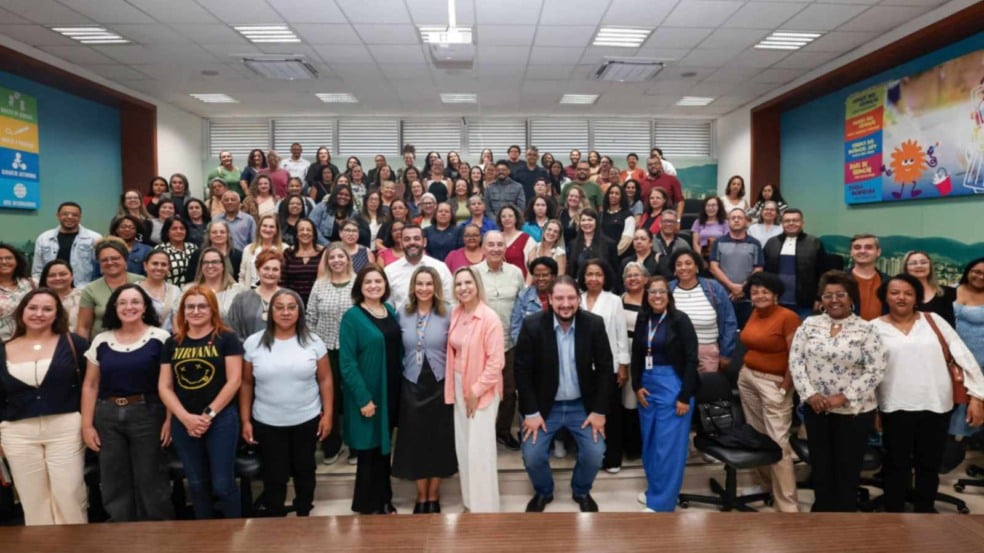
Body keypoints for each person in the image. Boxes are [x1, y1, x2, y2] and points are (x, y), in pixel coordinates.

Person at [871, 274, 984, 513]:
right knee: (895, 465)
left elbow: (964, 357)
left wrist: (977, 397)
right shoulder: (873, 328)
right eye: (894, 292)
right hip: (894, 405)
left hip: (936, 404)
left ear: (916, 298)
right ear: (885, 297)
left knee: (929, 465)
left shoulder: (933, 321)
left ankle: (925, 513)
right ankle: (894, 515)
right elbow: (867, 373)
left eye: (908, 293)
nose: (901, 297)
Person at [789, 270, 887, 512]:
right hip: (816, 409)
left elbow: (875, 370)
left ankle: (844, 519)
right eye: (828, 295)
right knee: (821, 466)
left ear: (851, 298)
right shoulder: (809, 324)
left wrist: (842, 397)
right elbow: (796, 361)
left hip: (854, 411)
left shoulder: (866, 329)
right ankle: (822, 513)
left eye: (840, 295)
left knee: (847, 469)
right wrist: (810, 394)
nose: (834, 300)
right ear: (821, 299)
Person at [516, 273, 613, 513]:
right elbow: (522, 372)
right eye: (559, 298)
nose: (566, 304)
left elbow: (605, 369)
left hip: (582, 405)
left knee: (595, 452)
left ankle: (581, 490)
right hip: (543, 407)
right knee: (533, 455)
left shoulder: (594, 324)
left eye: (571, 298)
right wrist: (531, 412)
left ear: (578, 299)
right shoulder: (532, 325)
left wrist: (599, 410)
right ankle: (543, 491)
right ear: (549, 298)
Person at [80, 284, 173, 522]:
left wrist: (170, 421)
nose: (128, 307)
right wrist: (87, 426)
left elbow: (171, 386)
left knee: (150, 478)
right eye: (122, 302)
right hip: (107, 416)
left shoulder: (161, 338)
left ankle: (158, 538)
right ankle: (122, 537)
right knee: (113, 480)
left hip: (148, 414)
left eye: (135, 302)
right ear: (114, 307)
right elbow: (90, 385)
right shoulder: (101, 340)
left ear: (144, 307)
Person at [240, 289, 332, 517]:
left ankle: (303, 511)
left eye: (291, 307)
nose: (285, 312)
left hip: (306, 418)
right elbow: (246, 383)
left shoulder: (313, 341)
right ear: (270, 312)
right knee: (275, 474)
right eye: (279, 307)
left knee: (305, 469)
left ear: (299, 312)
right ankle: (276, 516)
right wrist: (245, 420)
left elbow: (325, 379)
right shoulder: (254, 343)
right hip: (267, 421)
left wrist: (328, 414)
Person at [0, 289, 88, 525]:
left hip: (65, 428)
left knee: (69, 495)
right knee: (33, 500)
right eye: (33, 308)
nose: (39, 313)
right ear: (22, 312)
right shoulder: (3, 348)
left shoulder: (74, 344)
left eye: (47, 309)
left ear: (57, 314)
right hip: (17, 433)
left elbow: (90, 386)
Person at [160, 286, 244, 519]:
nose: (196, 311)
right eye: (191, 307)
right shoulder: (172, 343)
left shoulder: (226, 338)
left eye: (202, 306)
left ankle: (236, 538)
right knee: (196, 485)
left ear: (212, 309)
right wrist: (185, 418)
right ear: (183, 311)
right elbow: (164, 387)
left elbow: (235, 380)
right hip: (184, 421)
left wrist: (208, 415)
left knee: (223, 484)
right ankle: (205, 540)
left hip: (220, 420)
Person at [631, 275, 698, 512]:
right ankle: (654, 491)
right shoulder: (643, 319)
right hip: (647, 387)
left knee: (667, 447)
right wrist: (636, 385)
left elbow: (691, 359)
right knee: (650, 443)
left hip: (674, 386)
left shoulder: (680, 320)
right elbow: (637, 355)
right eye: (652, 292)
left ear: (668, 296)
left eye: (661, 292)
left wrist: (684, 396)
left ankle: (662, 503)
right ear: (646, 296)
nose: (657, 296)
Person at [736, 272, 802, 512]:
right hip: (748, 378)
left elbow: (796, 358)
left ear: (776, 294)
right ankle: (766, 488)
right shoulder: (754, 312)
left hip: (774, 383)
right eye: (755, 292)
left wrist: (785, 388)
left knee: (778, 443)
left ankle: (787, 506)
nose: (760, 295)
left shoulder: (788, 317)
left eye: (765, 291)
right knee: (758, 437)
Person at [392, 267, 456, 513]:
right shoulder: (402, 313)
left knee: (439, 439)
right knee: (415, 441)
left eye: (429, 284)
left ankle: (434, 494)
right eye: (419, 283)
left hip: (440, 384)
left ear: (436, 287)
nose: (424, 288)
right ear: (413, 286)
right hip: (412, 383)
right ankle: (421, 496)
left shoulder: (448, 313)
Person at [339, 266, 402, 514]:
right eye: (368, 282)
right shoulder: (352, 317)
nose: (374, 285)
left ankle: (384, 498)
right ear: (360, 287)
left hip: (390, 391)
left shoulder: (390, 311)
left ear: (385, 285)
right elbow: (347, 362)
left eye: (378, 281)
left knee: (384, 448)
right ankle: (367, 504)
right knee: (368, 450)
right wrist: (363, 398)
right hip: (366, 394)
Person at [445, 267, 504, 512]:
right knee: (464, 446)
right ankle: (470, 502)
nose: (463, 288)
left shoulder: (489, 317)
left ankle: (486, 507)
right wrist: (461, 390)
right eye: (458, 284)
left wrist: (475, 391)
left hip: (482, 389)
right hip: (459, 383)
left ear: (477, 284)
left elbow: (496, 362)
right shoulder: (456, 313)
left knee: (480, 449)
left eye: (468, 282)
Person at [472, 232, 526, 452]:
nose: (495, 248)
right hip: (480, 344)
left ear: (506, 248)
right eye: (491, 244)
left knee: (509, 390)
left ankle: (502, 431)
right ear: (483, 247)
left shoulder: (516, 273)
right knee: (481, 389)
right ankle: (480, 432)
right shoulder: (473, 273)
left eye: (500, 245)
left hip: (509, 342)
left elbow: (522, 305)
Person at [578, 259, 630, 474]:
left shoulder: (614, 300)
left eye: (598, 274)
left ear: (605, 277)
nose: (593, 278)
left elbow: (620, 333)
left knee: (612, 414)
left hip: (608, 366)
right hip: (580, 366)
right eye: (589, 274)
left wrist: (623, 365)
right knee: (584, 413)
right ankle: (590, 456)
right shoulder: (575, 298)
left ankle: (612, 458)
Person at [306, 244, 355, 465]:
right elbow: (309, 318)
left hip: (353, 350)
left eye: (340, 256)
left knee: (354, 398)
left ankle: (356, 446)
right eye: (332, 257)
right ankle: (331, 445)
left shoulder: (358, 284)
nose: (336, 260)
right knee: (329, 398)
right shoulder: (319, 285)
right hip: (325, 350)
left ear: (348, 259)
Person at [669, 250, 736, 373]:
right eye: (679, 264)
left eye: (688, 263)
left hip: (708, 354)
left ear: (697, 267)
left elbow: (729, 321)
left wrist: (726, 353)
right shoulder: (668, 289)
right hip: (676, 354)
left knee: (706, 390)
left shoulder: (714, 288)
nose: (683, 267)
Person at [763, 208, 826, 319]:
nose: (791, 223)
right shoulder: (771, 243)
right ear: (782, 223)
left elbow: (823, 274)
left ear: (802, 223)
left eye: (795, 220)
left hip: (805, 303)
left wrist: (819, 298)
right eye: (787, 221)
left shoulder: (814, 243)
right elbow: (764, 273)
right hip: (776, 302)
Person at [76, 239, 143, 341]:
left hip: (139, 341)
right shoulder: (90, 289)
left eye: (115, 258)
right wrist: (83, 352)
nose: (110, 262)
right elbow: (83, 326)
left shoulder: (142, 283)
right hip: (102, 346)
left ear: (125, 259)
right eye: (104, 260)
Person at [709, 208, 764, 329]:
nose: (736, 220)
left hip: (748, 296)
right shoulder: (719, 242)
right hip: (723, 294)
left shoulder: (755, 243)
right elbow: (713, 268)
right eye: (733, 218)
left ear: (746, 222)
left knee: (746, 330)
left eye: (740, 218)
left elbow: (758, 269)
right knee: (724, 329)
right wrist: (732, 286)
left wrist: (743, 288)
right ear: (728, 222)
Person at [383, 225, 452, 310]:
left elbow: (450, 301)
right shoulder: (389, 271)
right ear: (401, 244)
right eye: (407, 239)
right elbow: (387, 306)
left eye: (416, 238)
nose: (412, 242)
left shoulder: (440, 268)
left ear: (424, 242)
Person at [31, 202, 101, 287]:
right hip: (51, 289)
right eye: (65, 214)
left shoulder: (94, 238)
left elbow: (100, 269)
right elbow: (37, 271)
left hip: (83, 290)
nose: (70, 217)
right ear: (58, 215)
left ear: (80, 217)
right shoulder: (44, 238)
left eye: (74, 215)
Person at [953, 258, 984, 444]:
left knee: (978, 398)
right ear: (968, 271)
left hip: (981, 357)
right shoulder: (950, 290)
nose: (980, 276)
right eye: (976, 271)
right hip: (955, 358)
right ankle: (955, 444)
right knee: (957, 402)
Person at [619, 261, 648, 461]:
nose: (633, 279)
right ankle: (632, 446)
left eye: (637, 275)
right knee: (629, 399)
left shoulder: (654, 298)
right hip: (626, 351)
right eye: (628, 276)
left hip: (651, 353)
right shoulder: (618, 300)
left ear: (646, 278)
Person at [227, 250, 285, 341]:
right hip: (248, 353)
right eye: (266, 268)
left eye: (275, 269)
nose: (270, 273)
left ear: (281, 272)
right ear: (258, 270)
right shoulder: (241, 299)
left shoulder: (291, 298)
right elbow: (232, 330)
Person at [184, 247, 247, 319]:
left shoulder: (238, 291)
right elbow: (178, 317)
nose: (210, 266)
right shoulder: (188, 289)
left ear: (223, 265)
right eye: (206, 262)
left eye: (214, 262)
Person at [510, 257, 559, 343]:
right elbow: (516, 328)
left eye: (545, 275)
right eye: (536, 275)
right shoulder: (524, 296)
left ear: (553, 276)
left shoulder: (562, 296)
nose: (540, 278)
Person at [902, 250, 956, 327]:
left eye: (923, 262)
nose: (919, 266)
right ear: (906, 268)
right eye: (913, 263)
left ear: (930, 266)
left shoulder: (949, 293)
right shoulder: (899, 296)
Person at [185, 220, 244, 284]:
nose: (218, 235)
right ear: (209, 235)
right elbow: (190, 279)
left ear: (228, 234)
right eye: (214, 232)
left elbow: (241, 279)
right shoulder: (198, 254)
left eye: (222, 232)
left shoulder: (237, 255)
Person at [281, 219, 324, 305]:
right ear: (296, 234)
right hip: (291, 302)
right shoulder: (288, 253)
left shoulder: (323, 253)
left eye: (309, 230)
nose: (305, 232)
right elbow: (282, 280)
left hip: (318, 301)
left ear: (314, 234)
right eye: (301, 230)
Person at [567, 209, 617, 281]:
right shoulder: (572, 244)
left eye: (590, 220)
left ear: (596, 222)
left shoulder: (609, 244)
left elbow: (614, 271)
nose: (586, 223)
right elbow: (571, 271)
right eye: (583, 220)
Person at [0, 244, 36, 342]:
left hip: (31, 338)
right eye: (0, 259)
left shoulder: (31, 284)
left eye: (8, 258)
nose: (4, 262)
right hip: (3, 342)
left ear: (17, 261)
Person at [139, 250, 181, 332]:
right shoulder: (134, 290)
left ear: (169, 267)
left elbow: (177, 321)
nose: (159, 268)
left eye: (164, 264)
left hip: (168, 340)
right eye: (155, 263)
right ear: (145, 266)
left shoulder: (176, 290)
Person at [848, 234, 888, 320]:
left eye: (868, 247)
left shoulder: (889, 283)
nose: (862, 251)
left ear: (878, 252)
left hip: (881, 332)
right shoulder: (838, 281)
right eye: (857, 247)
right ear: (851, 252)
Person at [240, 214, 286, 288]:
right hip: (251, 291)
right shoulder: (248, 249)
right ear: (259, 228)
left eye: (271, 227)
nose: (267, 229)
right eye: (264, 226)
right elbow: (242, 276)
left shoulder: (285, 249)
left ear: (276, 230)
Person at [39, 260, 81, 333]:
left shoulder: (84, 296)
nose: (57, 278)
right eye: (52, 275)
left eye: (63, 274)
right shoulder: (37, 298)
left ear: (72, 276)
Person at [153, 217, 198, 285]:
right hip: (170, 291)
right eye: (174, 229)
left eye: (182, 228)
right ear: (167, 232)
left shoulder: (193, 247)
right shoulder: (160, 249)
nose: (179, 231)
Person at [600, 184, 635, 257]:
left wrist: (614, 254)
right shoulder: (601, 215)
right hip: (602, 254)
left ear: (622, 197)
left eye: (617, 193)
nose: (613, 195)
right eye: (611, 193)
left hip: (619, 256)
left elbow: (627, 240)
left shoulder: (628, 216)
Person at [497, 205, 531, 277]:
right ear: (500, 219)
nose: (507, 219)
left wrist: (526, 287)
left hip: (520, 282)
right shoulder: (495, 237)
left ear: (516, 219)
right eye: (503, 216)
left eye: (510, 216)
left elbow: (532, 267)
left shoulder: (526, 238)